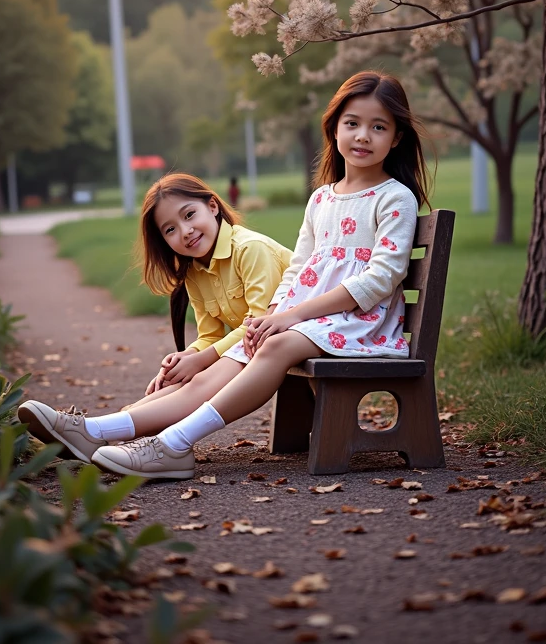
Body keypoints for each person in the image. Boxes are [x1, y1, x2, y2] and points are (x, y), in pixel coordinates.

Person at [22, 70, 432, 481]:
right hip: (307, 319)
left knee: (272, 346)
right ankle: (97, 431)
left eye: (378, 127)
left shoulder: (394, 197)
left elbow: (380, 279)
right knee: (226, 363)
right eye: (352, 124)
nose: (363, 136)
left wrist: (290, 316)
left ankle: (173, 444)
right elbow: (299, 269)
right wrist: (272, 313)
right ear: (335, 127)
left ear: (395, 138)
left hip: (360, 323)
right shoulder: (322, 198)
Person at [18, 173, 292, 470]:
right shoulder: (194, 271)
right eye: (170, 229)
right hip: (261, 343)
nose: (185, 231)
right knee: (183, 380)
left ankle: (96, 431)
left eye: (189, 215)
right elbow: (210, 336)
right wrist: (185, 358)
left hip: (293, 334)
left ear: (212, 206)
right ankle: (95, 433)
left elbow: (257, 324)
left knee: (202, 374)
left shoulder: (250, 249)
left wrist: (200, 361)